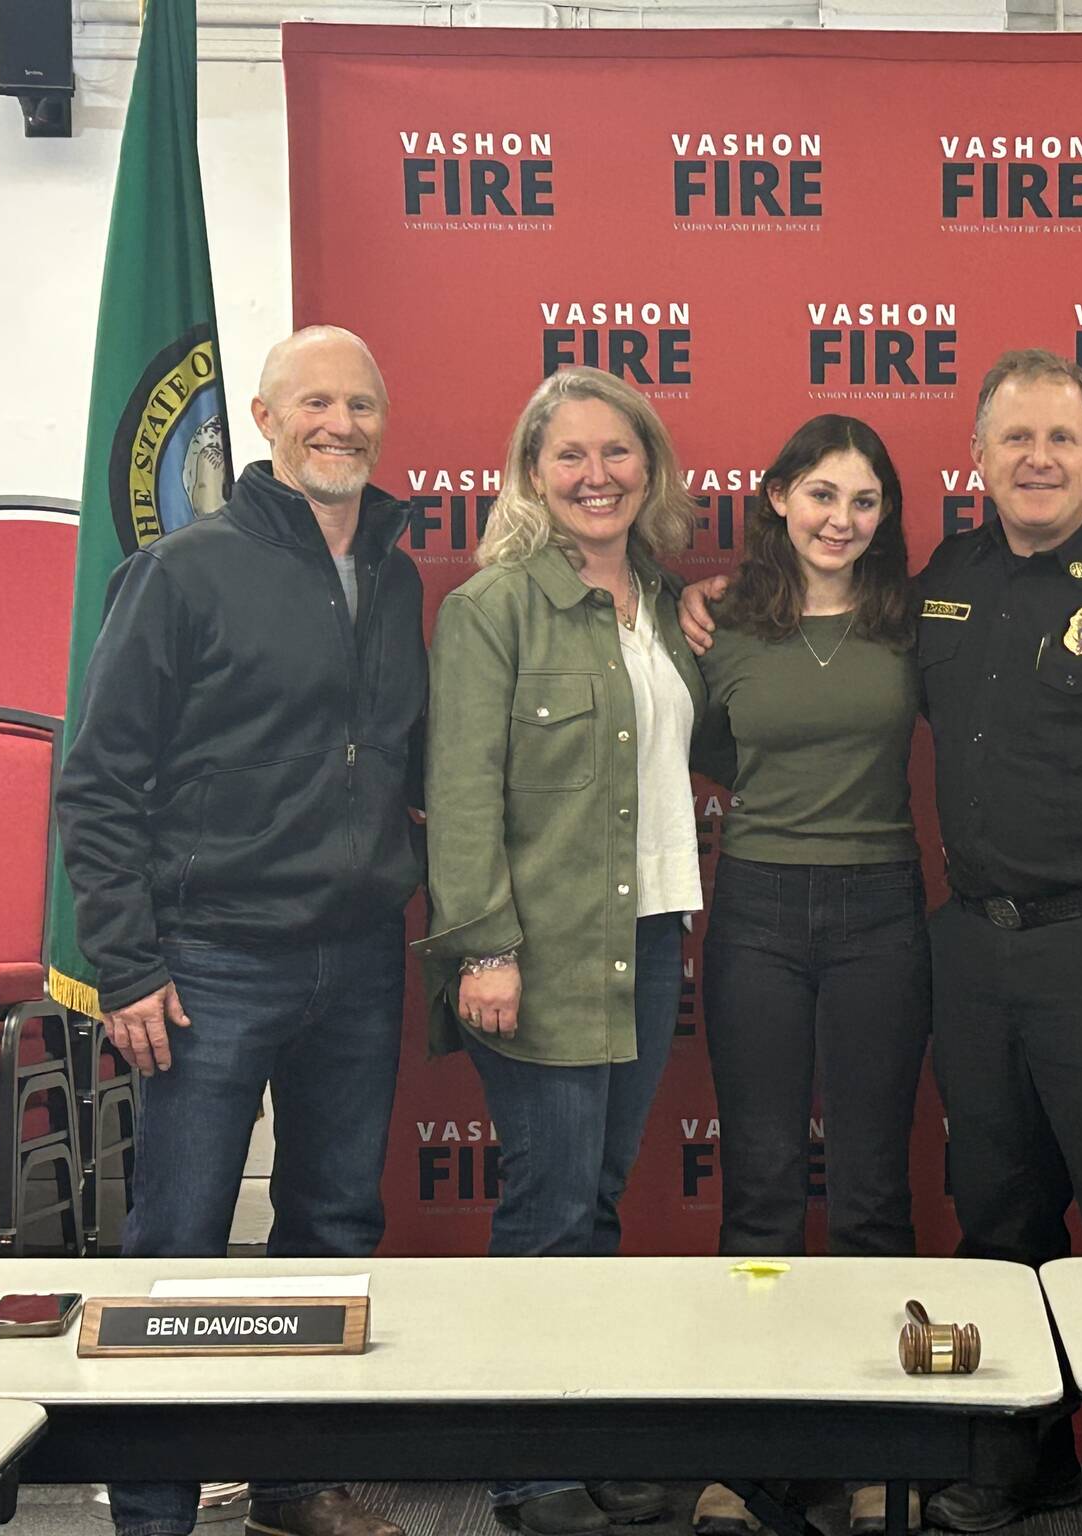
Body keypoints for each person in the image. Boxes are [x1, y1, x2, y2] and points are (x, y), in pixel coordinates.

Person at [679, 351, 1082, 1531]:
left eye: (1059, 439)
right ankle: (1018, 1462)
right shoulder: (937, 584)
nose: (1035, 459)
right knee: (997, 1224)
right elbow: (790, 648)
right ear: (978, 460)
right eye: (1012, 440)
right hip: (971, 951)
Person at [56, 325, 421, 1536]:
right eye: (315, 402)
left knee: (329, 1233)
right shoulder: (189, 570)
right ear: (262, 421)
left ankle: (292, 1485)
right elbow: (98, 778)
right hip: (209, 963)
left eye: (360, 405)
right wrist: (128, 965)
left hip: (360, 959)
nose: (342, 424)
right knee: (178, 1242)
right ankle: (152, 1508)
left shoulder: (398, 568)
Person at [415, 366, 702, 1536]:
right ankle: (529, 1475)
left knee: (593, 1203)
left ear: (650, 468)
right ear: (534, 474)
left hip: (646, 938)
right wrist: (483, 946)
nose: (596, 475)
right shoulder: (492, 609)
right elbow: (460, 790)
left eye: (617, 453)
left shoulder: (669, 605)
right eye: (569, 456)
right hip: (535, 949)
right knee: (543, 1211)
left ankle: (581, 1447)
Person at [685, 415, 929, 1536]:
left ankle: (881, 1457)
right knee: (764, 1194)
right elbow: (703, 750)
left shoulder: (913, 621)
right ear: (777, 495)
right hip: (760, 915)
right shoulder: (722, 621)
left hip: (882, 908)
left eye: (865, 501)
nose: (842, 519)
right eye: (822, 495)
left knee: (875, 1194)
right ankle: (758, 1457)